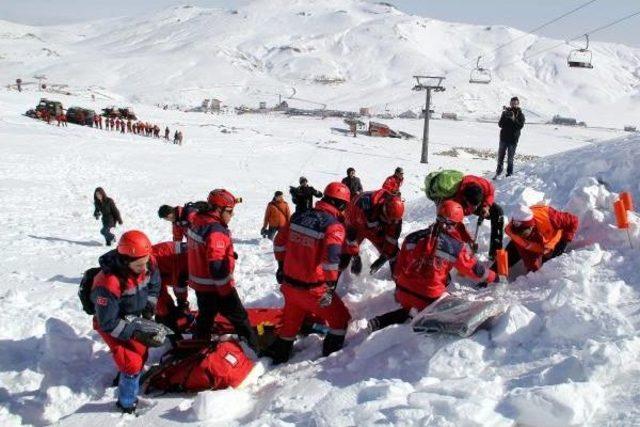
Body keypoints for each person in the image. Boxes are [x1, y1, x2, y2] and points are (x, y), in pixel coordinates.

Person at [367, 201, 497, 333]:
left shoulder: (412, 237)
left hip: (402, 292)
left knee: (419, 298)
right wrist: (494, 277)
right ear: (456, 223)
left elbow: (398, 268)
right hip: (429, 299)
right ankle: (420, 316)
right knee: (445, 301)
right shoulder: (454, 246)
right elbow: (476, 270)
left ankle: (384, 320)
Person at [266, 182, 352, 364]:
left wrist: (281, 266)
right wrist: (329, 287)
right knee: (341, 319)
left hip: (289, 286)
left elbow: (279, 242)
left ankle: (277, 359)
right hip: (313, 290)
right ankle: (329, 361)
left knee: (289, 327)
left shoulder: (299, 216)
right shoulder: (334, 226)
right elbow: (332, 258)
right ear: (342, 205)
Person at [91, 230, 165, 413]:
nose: (145, 267)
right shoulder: (108, 283)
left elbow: (155, 285)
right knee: (131, 361)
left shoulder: (148, 262)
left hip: (134, 317)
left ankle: (125, 377)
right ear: (125, 261)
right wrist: (136, 332)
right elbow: (108, 322)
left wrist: (149, 306)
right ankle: (126, 403)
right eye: (139, 265)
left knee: (142, 352)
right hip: (110, 323)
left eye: (146, 261)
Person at [184, 189, 258, 351]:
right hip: (216, 287)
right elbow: (217, 267)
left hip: (200, 284)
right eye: (230, 211)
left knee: (206, 317)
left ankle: (198, 346)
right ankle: (254, 349)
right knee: (240, 318)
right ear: (218, 210)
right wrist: (226, 290)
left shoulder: (196, 221)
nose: (232, 216)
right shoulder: (216, 232)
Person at [498, 204, 578, 274]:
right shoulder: (515, 233)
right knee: (500, 265)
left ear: (531, 226)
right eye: (518, 233)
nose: (521, 236)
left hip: (552, 243)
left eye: (523, 233)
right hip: (533, 246)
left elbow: (573, 221)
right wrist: (532, 270)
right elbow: (527, 256)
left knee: (548, 267)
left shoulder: (551, 218)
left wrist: (563, 243)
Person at [340, 189, 404, 276]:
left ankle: (399, 280)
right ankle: (332, 283)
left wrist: (385, 255)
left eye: (392, 221)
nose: (389, 222)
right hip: (358, 226)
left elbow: (392, 239)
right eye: (388, 218)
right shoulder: (362, 206)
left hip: (376, 230)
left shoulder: (395, 218)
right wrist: (355, 255)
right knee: (343, 254)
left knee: (394, 254)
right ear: (384, 207)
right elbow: (350, 233)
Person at [449, 175, 504, 259]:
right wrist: (469, 240)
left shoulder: (484, 185)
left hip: (478, 202)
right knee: (450, 227)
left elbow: (490, 193)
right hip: (462, 205)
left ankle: (495, 252)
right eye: (473, 206)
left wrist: (486, 206)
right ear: (465, 199)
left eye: (476, 205)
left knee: (497, 211)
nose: (475, 209)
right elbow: (457, 224)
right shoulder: (456, 201)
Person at [151, 241, 190, 333]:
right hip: (153, 267)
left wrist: (182, 302)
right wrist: (166, 313)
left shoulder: (194, 258)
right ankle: (165, 324)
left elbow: (180, 283)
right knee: (163, 308)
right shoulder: (186, 261)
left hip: (165, 266)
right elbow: (180, 282)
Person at [495, 96, 525, 179]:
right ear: (510, 103)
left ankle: (509, 174)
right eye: (512, 103)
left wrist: (513, 119)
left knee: (510, 158)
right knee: (500, 156)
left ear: (518, 104)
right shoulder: (505, 112)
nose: (513, 105)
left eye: (515, 103)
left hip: (513, 140)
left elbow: (520, 126)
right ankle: (498, 172)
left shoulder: (521, 115)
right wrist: (505, 116)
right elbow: (500, 124)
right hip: (503, 138)